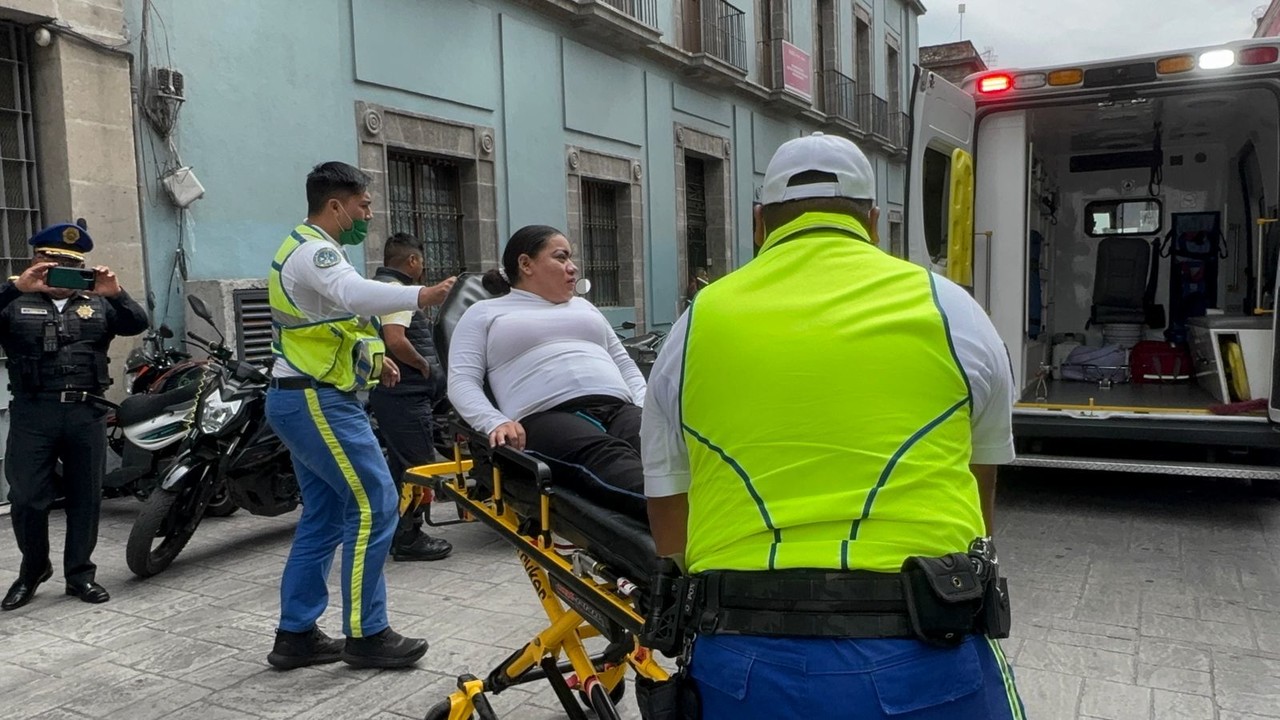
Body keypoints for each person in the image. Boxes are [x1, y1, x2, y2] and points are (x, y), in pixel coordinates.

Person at [641, 132, 1025, 719]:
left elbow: (670, 503)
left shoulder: (693, 327)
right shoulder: (954, 311)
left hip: (743, 658)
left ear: (759, 222)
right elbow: (980, 481)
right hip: (924, 647)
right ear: (872, 221)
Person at [264, 161, 452, 671]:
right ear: (336, 205)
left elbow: (329, 326)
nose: (367, 214)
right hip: (316, 401)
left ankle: (296, 635)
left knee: (325, 517)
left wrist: (375, 358)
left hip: (303, 394)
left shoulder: (304, 249)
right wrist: (421, 294)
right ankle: (367, 634)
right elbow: (353, 295)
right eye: (363, 205)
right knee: (376, 502)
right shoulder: (317, 250)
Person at [447, 225, 647, 511]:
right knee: (613, 460)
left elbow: (624, 363)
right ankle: (685, 525)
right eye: (561, 257)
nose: (573, 268)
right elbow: (462, 381)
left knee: (664, 450)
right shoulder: (484, 313)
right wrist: (494, 421)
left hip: (620, 408)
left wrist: (646, 408)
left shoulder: (585, 308)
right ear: (526, 264)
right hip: (548, 416)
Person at [1, 222, 148, 611]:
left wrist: (117, 294)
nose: (59, 272)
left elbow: (137, 322)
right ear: (35, 263)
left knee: (86, 497)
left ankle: (80, 574)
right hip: (34, 412)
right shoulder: (14, 302)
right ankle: (33, 570)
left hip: (86, 412)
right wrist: (14, 288)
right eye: (51, 263)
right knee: (28, 497)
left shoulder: (98, 302)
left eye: (69, 265)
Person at [367, 233, 454, 562]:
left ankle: (396, 531)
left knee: (401, 464)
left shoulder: (379, 287)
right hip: (404, 394)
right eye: (422, 262)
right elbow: (395, 339)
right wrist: (423, 365)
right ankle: (408, 536)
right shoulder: (400, 293)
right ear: (413, 262)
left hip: (395, 395)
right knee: (416, 467)